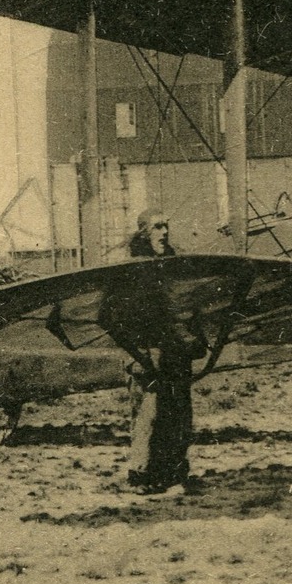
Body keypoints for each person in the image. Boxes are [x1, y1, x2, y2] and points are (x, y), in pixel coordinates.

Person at [107, 209, 198, 495]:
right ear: (144, 232)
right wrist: (139, 354)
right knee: (149, 415)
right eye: (158, 227)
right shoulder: (130, 270)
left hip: (174, 354)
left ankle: (174, 475)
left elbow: (185, 307)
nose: (165, 232)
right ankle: (142, 477)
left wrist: (193, 340)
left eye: (167, 226)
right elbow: (111, 315)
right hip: (147, 355)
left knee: (179, 415)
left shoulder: (173, 267)